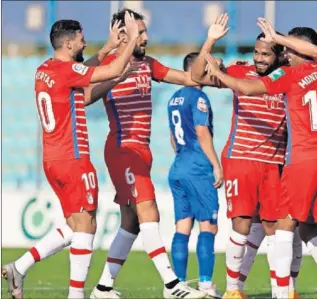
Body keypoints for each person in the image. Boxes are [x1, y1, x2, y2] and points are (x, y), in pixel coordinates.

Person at [204, 20, 317, 299]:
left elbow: (246, 89)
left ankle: (282, 293)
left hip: (302, 161)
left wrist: (220, 75)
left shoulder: (293, 74)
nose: (285, 55)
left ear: (302, 51)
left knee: (285, 224)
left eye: (289, 51)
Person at [2, 13, 141, 299]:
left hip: (52, 161)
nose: (85, 42)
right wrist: (131, 39)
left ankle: (20, 266)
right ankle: (76, 295)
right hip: (73, 159)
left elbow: (81, 87)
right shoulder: (66, 72)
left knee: (75, 225)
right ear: (68, 44)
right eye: (81, 39)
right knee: (87, 225)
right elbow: (113, 69)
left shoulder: (46, 69)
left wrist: (106, 49)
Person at [87, 8, 213, 299]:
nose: (146, 37)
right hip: (123, 149)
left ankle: (103, 288)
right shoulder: (108, 64)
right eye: (139, 32)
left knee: (130, 223)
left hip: (142, 151)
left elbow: (189, 79)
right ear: (122, 35)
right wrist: (118, 75)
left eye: (144, 31)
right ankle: (172, 285)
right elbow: (84, 97)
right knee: (149, 210)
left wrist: (209, 45)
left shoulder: (148, 64)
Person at [191, 14, 296, 299]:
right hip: (241, 158)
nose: (260, 58)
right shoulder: (240, 71)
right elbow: (197, 75)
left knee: (275, 226)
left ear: (279, 55)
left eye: (266, 53)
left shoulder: (288, 76)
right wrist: (210, 40)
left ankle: (282, 291)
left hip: (274, 163)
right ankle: (233, 290)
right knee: (242, 223)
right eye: (257, 52)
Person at [168, 52, 223, 299]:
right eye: (209, 67)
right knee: (208, 226)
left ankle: (177, 286)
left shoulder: (173, 98)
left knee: (182, 227)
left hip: (178, 167)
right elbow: (202, 132)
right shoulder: (199, 97)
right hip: (198, 169)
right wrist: (216, 165)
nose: (212, 72)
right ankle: (205, 285)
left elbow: (172, 137)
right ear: (196, 69)